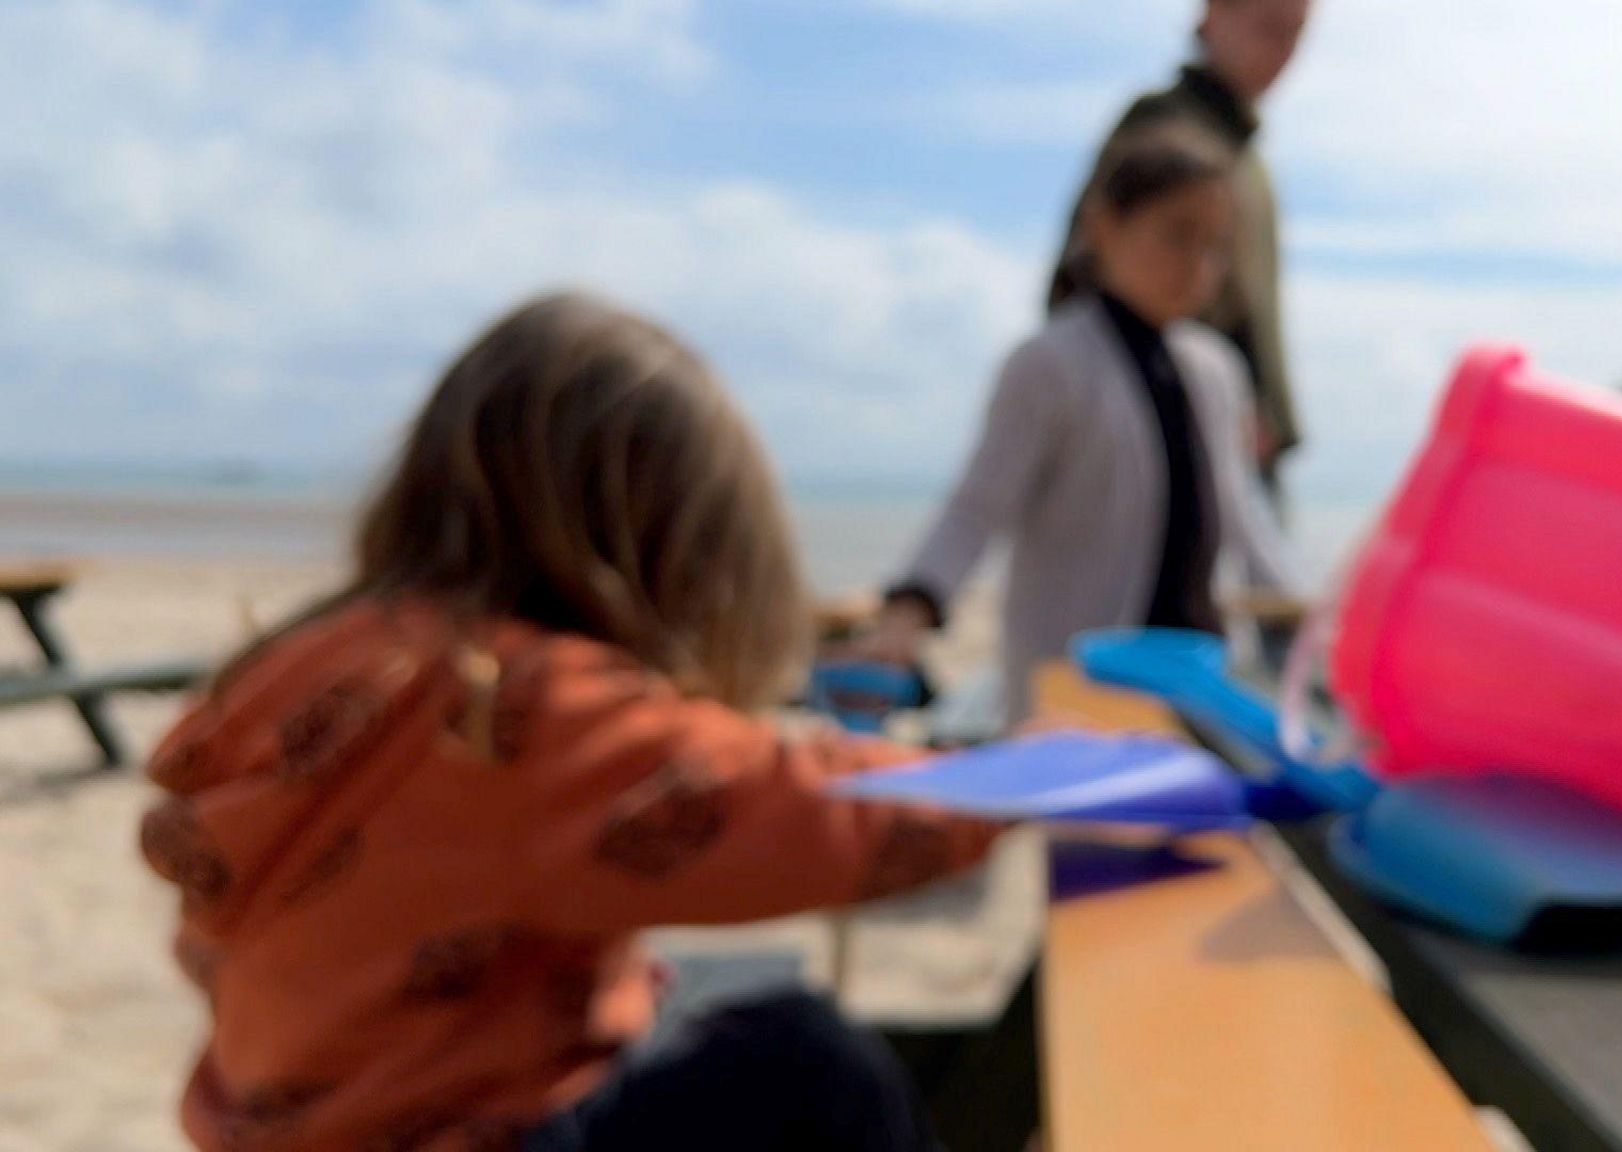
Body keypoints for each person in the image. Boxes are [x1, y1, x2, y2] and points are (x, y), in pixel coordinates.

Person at [138, 293, 1001, 1152]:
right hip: (445, 1126)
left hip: (284, 1111)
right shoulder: (515, 706)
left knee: (684, 994)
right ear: (664, 535)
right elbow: (803, 814)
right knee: (809, 1061)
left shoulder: (311, 658)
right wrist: (1015, 782)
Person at [863, 128, 1303, 725]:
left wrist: (1312, 619)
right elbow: (976, 507)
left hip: (1201, 680)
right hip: (1079, 688)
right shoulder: (1049, 364)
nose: (1201, 265)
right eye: (1178, 235)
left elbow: (1245, 522)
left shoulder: (1216, 369)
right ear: (1102, 226)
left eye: (1217, 245)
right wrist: (911, 609)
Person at [1051, 0, 1315, 491]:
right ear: (1215, 15)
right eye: (1268, 25)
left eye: (1297, 32)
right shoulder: (1163, 127)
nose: (1283, 49)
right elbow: (1080, 274)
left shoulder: (1247, 155)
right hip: (1172, 433)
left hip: (1240, 433)